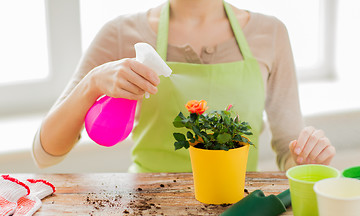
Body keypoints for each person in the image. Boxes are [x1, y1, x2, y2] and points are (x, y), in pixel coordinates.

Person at [32, 0, 335, 172]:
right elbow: (45, 152)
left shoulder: (270, 33)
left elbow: (288, 150)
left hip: (234, 210)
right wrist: (92, 83)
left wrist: (306, 158)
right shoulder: (121, 33)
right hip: (144, 211)